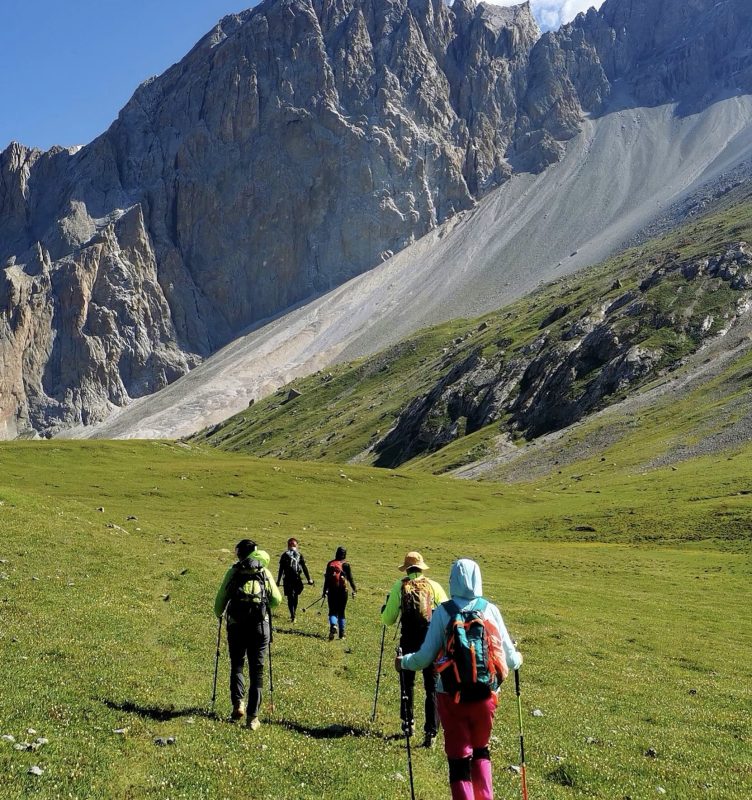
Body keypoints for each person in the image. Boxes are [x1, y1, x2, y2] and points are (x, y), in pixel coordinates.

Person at [395, 558, 522, 800]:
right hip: (486, 695)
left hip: (450, 696)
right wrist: (520, 657)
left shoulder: (443, 612)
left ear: (452, 580)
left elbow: (424, 658)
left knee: (458, 758)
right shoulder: (490, 609)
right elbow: (510, 659)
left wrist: (404, 662)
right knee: (481, 750)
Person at [381, 550, 448, 748]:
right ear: (421, 567)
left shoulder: (399, 586)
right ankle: (431, 732)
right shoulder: (434, 586)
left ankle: (408, 723)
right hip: (431, 642)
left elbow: (389, 619)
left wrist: (384, 611)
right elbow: (446, 614)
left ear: (407, 568)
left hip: (408, 640)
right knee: (432, 687)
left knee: (407, 684)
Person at [214, 539, 282, 729]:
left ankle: (238, 704)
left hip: (236, 626)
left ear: (240, 554)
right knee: (257, 671)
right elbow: (277, 599)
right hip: (260, 627)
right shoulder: (264, 572)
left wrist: (220, 613)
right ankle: (253, 718)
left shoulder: (234, 571)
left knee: (237, 665)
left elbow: (221, 600)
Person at [322, 545, 356, 640]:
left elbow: (327, 579)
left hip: (332, 590)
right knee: (341, 612)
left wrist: (324, 591)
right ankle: (342, 634)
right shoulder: (346, 565)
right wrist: (354, 589)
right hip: (343, 592)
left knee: (332, 611)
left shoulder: (330, 564)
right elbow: (350, 578)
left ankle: (333, 625)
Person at [277, 537, 314, 623]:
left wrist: (278, 581)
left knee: (290, 597)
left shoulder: (284, 555)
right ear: (296, 545)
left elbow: (281, 569)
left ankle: (292, 614)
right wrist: (309, 579)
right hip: (297, 579)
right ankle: (294, 614)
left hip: (287, 579)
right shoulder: (299, 555)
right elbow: (304, 568)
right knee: (295, 596)